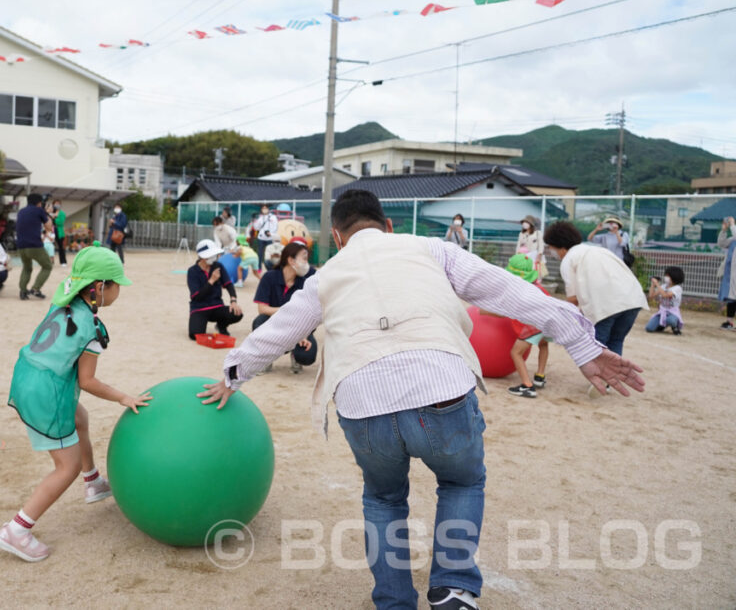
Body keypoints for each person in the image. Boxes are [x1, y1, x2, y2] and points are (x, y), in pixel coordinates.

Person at [198, 189, 645, 609]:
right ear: (389, 225)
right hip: (440, 387)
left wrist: (232, 376)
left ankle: (393, 601)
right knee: (462, 481)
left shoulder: (326, 276)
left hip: (361, 398)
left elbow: (279, 332)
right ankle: (453, 587)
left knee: (383, 498)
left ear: (336, 236)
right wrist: (582, 345)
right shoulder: (432, 248)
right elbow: (510, 290)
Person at [0, 245, 151, 563]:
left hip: (27, 377)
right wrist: (124, 397)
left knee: (80, 417)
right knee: (67, 467)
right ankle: (17, 530)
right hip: (46, 392)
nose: (120, 289)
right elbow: (87, 381)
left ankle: (92, 482)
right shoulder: (92, 329)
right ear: (100, 288)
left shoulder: (64, 299)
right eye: (116, 283)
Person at [544, 220, 647, 355]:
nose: (551, 252)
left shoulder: (569, 259)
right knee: (615, 341)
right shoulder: (598, 250)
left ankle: (606, 376)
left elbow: (573, 300)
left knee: (597, 348)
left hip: (607, 305)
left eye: (551, 248)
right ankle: (614, 376)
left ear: (561, 247)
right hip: (633, 299)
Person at [252, 240, 317, 374]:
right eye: (304, 259)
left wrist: (302, 334)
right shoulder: (269, 277)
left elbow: (308, 314)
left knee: (307, 355)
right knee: (259, 322)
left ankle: (295, 355)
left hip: (298, 324)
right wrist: (286, 311)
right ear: (291, 261)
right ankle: (266, 357)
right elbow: (262, 309)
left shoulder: (305, 282)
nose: (307, 264)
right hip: (274, 323)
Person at [500, 255, 552, 398]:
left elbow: (503, 311)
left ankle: (527, 386)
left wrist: (483, 311)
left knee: (516, 353)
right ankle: (540, 377)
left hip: (533, 327)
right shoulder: (539, 288)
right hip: (547, 323)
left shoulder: (518, 292)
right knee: (543, 345)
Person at [187, 239, 243, 340]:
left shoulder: (218, 266)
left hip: (217, 306)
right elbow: (197, 297)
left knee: (237, 313)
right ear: (203, 257)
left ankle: (221, 326)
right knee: (195, 335)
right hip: (199, 308)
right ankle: (200, 323)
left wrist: (233, 301)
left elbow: (229, 284)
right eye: (212, 255)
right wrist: (211, 280)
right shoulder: (192, 271)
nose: (215, 257)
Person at [16, 193, 53, 301]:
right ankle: (35, 289)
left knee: (27, 268)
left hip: (21, 245)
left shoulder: (21, 211)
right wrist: (47, 214)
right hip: (34, 245)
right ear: (39, 202)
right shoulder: (39, 211)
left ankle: (23, 291)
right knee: (47, 266)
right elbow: (49, 227)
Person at [645, 266, 685, 335]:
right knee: (649, 328)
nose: (666, 277)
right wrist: (653, 284)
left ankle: (675, 327)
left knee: (671, 320)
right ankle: (661, 325)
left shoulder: (677, 288)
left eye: (668, 276)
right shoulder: (664, 286)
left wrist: (657, 284)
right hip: (662, 311)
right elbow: (651, 296)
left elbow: (665, 295)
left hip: (673, 312)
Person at [716, 216, 735, 330]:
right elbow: (721, 243)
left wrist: (732, 225)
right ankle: (729, 322)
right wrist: (724, 230)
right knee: (731, 298)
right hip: (730, 272)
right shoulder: (733, 239)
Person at [251, 204, 278, 270]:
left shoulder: (273, 217)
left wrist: (270, 233)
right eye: (263, 208)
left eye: (265, 208)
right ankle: (259, 268)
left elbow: (275, 226)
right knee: (260, 253)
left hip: (270, 238)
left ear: (268, 209)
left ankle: (271, 267)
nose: (264, 210)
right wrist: (254, 221)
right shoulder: (260, 218)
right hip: (261, 238)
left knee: (270, 253)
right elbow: (256, 227)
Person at [50, 199, 68, 267]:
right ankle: (50, 261)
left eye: (58, 203)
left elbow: (60, 222)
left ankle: (63, 261)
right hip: (51, 231)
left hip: (59, 231)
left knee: (61, 247)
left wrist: (53, 218)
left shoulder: (62, 213)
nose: (56, 205)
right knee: (50, 246)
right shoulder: (51, 212)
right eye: (55, 203)